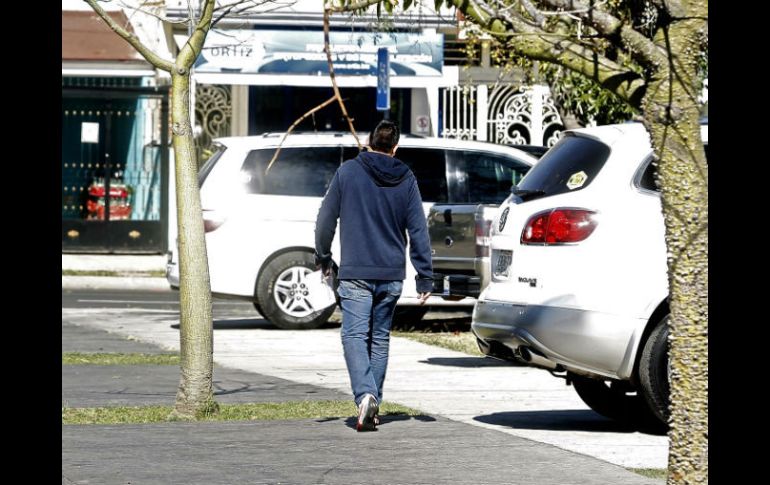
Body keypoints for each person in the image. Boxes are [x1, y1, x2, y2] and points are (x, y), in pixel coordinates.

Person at [314, 120, 433, 431]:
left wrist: (323, 256)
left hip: (355, 272)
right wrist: (425, 275)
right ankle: (372, 405)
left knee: (354, 335)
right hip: (392, 273)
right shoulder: (406, 178)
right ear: (395, 147)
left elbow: (325, 220)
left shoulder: (348, 172)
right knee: (379, 338)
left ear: (368, 142)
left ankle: (365, 395)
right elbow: (418, 228)